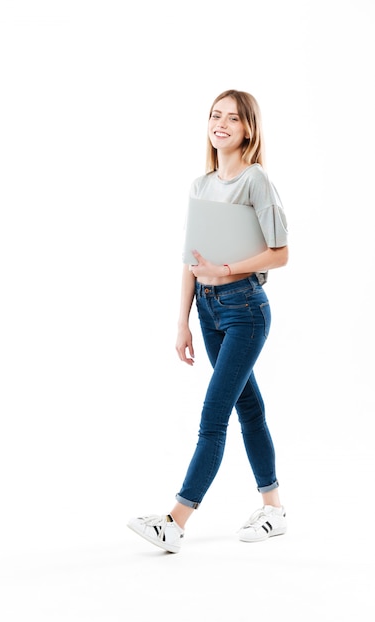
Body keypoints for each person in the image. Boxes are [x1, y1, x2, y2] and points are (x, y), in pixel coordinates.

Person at [127, 89, 289, 553]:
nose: (220, 124)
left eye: (232, 119)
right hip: (209, 308)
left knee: (213, 415)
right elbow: (188, 260)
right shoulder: (201, 185)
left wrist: (226, 270)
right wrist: (182, 321)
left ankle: (175, 520)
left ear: (247, 129)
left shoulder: (256, 181)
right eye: (215, 116)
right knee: (249, 408)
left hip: (246, 310)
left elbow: (281, 254)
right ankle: (274, 509)